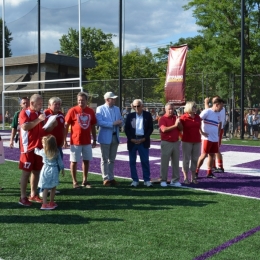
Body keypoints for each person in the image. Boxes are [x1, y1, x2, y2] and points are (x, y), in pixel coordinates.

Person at [64, 92, 97, 189]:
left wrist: (94, 139)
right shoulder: (72, 110)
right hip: (75, 141)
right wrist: (65, 139)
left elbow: (93, 126)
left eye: (82, 100)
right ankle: (74, 181)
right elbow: (66, 126)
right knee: (74, 161)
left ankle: (85, 180)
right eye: (79, 100)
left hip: (87, 141)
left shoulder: (90, 111)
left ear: (86, 101)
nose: (80, 102)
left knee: (86, 161)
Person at [18, 94, 46, 206]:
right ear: (32, 103)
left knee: (36, 171)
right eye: (39, 104)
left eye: (41, 104)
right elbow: (25, 127)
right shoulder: (24, 112)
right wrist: (39, 120)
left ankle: (33, 194)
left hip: (39, 148)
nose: (41, 106)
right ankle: (22, 197)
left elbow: (43, 129)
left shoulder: (40, 113)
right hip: (28, 148)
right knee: (26, 173)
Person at [39, 96, 65, 197]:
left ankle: (51, 188)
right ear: (49, 105)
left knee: (57, 167)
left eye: (59, 104)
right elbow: (42, 130)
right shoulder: (45, 114)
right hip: (48, 146)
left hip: (58, 145)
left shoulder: (61, 114)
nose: (58, 106)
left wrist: (63, 140)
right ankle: (42, 189)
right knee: (46, 169)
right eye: (55, 104)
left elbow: (63, 128)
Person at [96, 92, 123, 186]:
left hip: (115, 136)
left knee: (112, 159)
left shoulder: (117, 108)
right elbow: (100, 122)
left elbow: (120, 120)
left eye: (114, 99)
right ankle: (105, 178)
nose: (114, 100)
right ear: (107, 99)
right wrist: (113, 123)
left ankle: (111, 178)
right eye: (113, 99)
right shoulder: (100, 108)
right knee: (104, 159)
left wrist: (120, 123)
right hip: (105, 137)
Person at [125, 99, 154, 187]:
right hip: (132, 141)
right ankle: (135, 180)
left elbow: (150, 128)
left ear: (142, 106)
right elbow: (126, 129)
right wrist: (131, 139)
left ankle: (146, 180)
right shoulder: (130, 116)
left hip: (143, 140)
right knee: (132, 162)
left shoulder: (148, 115)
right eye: (134, 106)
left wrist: (145, 138)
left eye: (138, 106)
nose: (136, 108)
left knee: (145, 161)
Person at [195, 97, 224, 179]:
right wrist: (201, 132)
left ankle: (209, 172)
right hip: (206, 138)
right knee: (203, 155)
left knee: (212, 155)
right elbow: (198, 120)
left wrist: (218, 132)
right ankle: (196, 172)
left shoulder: (218, 114)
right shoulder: (207, 111)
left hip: (214, 138)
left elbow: (219, 123)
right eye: (221, 106)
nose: (222, 108)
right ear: (217, 105)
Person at [35, 135, 64, 210]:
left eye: (43, 143)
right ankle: (51, 201)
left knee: (45, 187)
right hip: (54, 170)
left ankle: (44, 204)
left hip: (45, 169)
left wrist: (35, 147)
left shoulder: (43, 151)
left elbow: (37, 151)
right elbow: (60, 161)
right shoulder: (56, 152)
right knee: (53, 187)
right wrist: (62, 169)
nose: (42, 144)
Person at [159, 103, 183, 187]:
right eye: (169, 109)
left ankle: (175, 180)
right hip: (166, 142)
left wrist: (179, 123)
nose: (171, 110)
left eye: (172, 109)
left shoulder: (175, 118)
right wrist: (175, 125)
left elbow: (181, 129)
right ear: (165, 109)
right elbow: (164, 129)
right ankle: (163, 180)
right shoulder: (162, 118)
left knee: (175, 163)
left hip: (176, 142)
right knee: (164, 162)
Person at [180, 102, 201, 184]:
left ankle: (193, 178)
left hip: (197, 140)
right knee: (186, 159)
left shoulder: (197, 117)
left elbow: (199, 127)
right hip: (186, 141)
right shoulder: (183, 117)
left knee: (195, 159)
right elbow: (179, 128)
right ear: (189, 107)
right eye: (193, 107)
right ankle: (186, 177)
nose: (195, 108)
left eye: (195, 106)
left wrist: (202, 133)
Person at [205, 96, 225, 173]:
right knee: (212, 150)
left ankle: (220, 166)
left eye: (214, 102)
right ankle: (213, 166)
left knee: (216, 149)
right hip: (214, 129)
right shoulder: (218, 109)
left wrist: (206, 103)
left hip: (217, 130)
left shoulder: (220, 109)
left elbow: (208, 111)